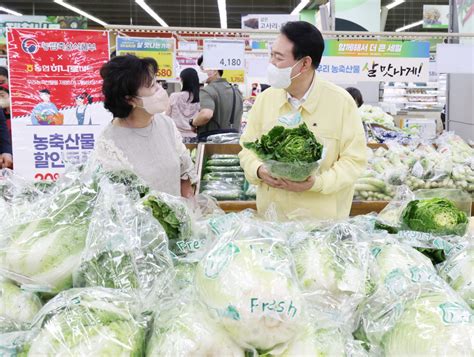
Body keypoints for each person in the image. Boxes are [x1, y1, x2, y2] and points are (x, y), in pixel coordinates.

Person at [239, 21, 367, 220]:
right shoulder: (265, 100)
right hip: (273, 223)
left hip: (321, 226)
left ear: (305, 63)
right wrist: (258, 170)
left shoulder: (341, 103)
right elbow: (246, 149)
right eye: (271, 55)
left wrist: (317, 183)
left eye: (278, 58)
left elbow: (354, 161)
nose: (271, 63)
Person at [93, 55, 196, 198]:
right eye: (152, 86)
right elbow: (116, 201)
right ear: (130, 99)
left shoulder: (166, 125)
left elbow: (184, 176)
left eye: (156, 82)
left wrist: (189, 211)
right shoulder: (108, 144)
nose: (159, 89)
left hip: (178, 218)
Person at [190, 55, 243, 141]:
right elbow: (239, 120)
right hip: (233, 142)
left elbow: (206, 114)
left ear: (214, 70)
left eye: (203, 68)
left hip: (211, 143)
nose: (201, 72)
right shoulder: (236, 91)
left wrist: (193, 123)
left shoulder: (207, 90)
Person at [166, 68, 200, 141]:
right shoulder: (201, 98)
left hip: (176, 137)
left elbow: (166, 117)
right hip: (195, 137)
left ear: (183, 80)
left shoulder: (174, 96)